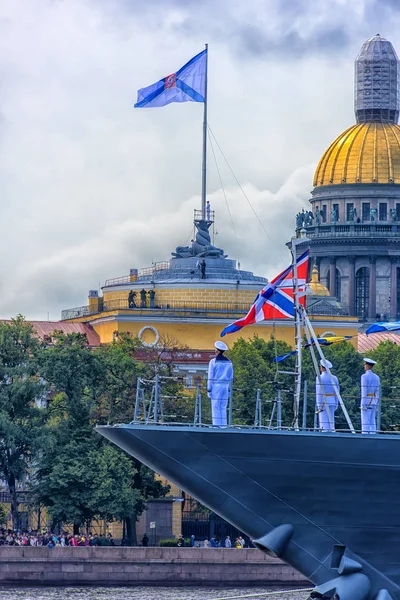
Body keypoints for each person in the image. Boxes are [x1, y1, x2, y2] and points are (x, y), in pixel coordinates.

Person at [207, 341, 234, 426]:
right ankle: (223, 426)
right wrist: (229, 389)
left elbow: (210, 376)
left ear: (217, 351)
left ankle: (216, 426)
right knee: (223, 406)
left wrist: (209, 389)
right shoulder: (229, 363)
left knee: (215, 406)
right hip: (225, 385)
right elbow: (231, 377)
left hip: (216, 385)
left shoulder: (213, 362)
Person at [315, 359, 339, 432]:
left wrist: (319, 405)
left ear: (322, 368)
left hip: (323, 402)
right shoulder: (334, 378)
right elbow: (337, 391)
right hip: (332, 401)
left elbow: (319, 392)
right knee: (331, 422)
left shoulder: (319, 378)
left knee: (323, 423)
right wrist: (336, 403)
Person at [361, 358, 380, 434]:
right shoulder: (376, 377)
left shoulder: (364, 376)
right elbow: (378, 391)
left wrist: (362, 404)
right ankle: (373, 434)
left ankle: (365, 436)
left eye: (365, 364)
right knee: (372, 421)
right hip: (374, 400)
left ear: (367, 366)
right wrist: (377, 401)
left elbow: (364, 391)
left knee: (365, 421)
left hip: (366, 401)